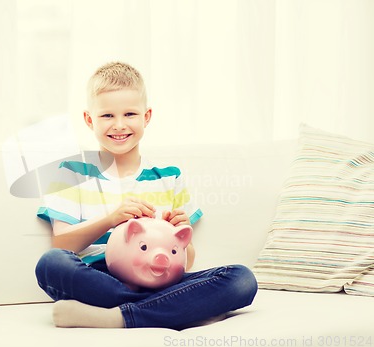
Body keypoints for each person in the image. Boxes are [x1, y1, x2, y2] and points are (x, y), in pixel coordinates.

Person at [35, 61, 257, 329]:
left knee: (242, 279)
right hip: (101, 277)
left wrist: (181, 233)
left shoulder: (169, 177)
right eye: (107, 116)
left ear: (147, 117)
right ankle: (179, 308)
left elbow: (185, 262)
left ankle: (118, 316)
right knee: (51, 264)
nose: (119, 125)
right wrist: (110, 219)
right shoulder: (71, 173)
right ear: (89, 120)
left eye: (130, 114)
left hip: (160, 275)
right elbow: (61, 245)